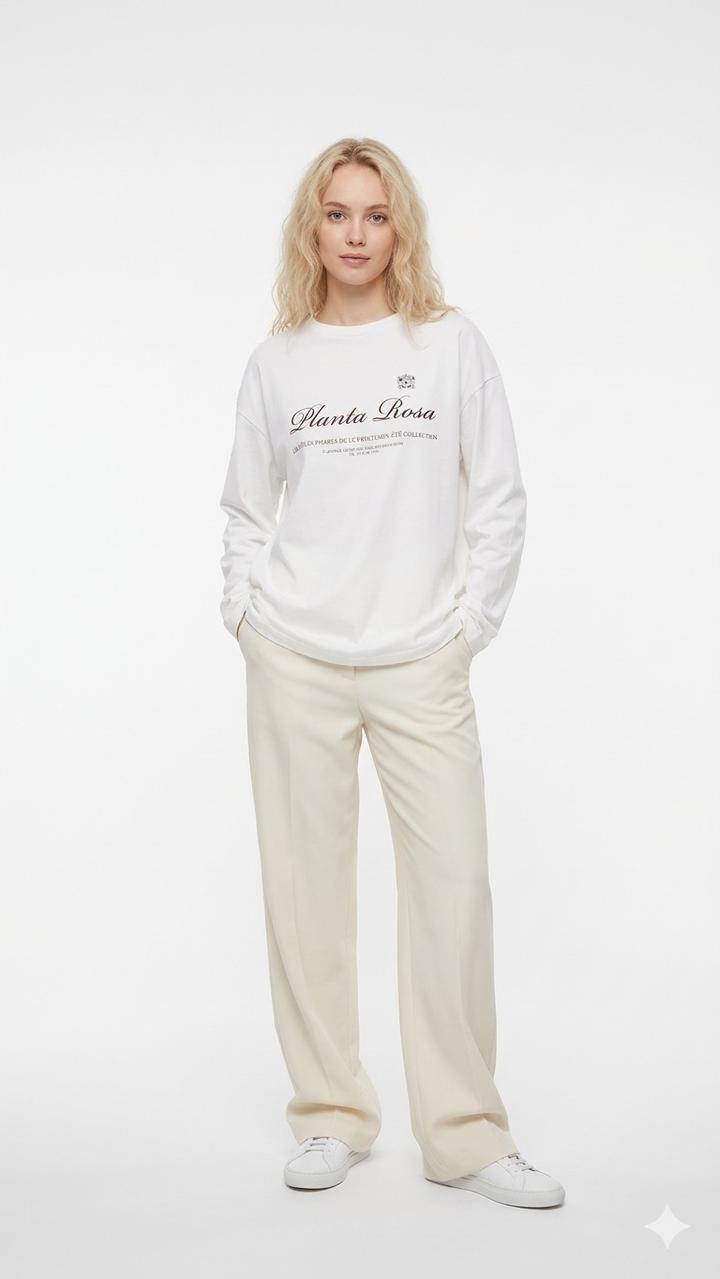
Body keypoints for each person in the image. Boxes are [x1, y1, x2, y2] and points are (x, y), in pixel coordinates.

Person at [218, 137, 565, 1209]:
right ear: (311, 228)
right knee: (305, 894)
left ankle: (464, 1132)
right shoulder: (279, 362)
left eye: (375, 214)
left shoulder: (450, 345)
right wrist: (246, 614)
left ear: (399, 225)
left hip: (421, 659)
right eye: (337, 214)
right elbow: (245, 507)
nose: (356, 233)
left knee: (454, 889)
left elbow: (497, 494)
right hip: (297, 657)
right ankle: (331, 1113)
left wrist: (469, 625)